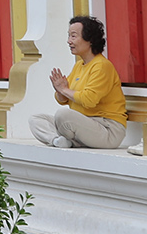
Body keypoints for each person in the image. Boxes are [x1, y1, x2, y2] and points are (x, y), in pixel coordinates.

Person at [31, 14, 128, 149]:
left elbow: (89, 100)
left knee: (63, 115)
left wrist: (64, 89)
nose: (69, 41)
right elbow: (64, 99)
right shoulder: (79, 65)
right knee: (36, 119)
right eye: (69, 36)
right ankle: (57, 141)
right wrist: (60, 90)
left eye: (74, 36)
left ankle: (68, 140)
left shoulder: (102, 66)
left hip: (107, 129)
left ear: (90, 40)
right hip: (83, 124)